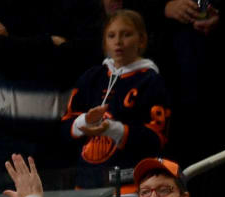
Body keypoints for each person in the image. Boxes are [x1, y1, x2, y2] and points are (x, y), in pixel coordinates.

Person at [61, 11, 168, 184]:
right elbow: (65, 127)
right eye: (111, 36)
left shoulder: (150, 81)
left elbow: (156, 138)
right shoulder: (91, 77)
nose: (118, 42)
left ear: (141, 40)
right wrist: (84, 122)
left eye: (126, 34)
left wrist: (112, 129)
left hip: (130, 184)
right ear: (104, 42)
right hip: (86, 183)